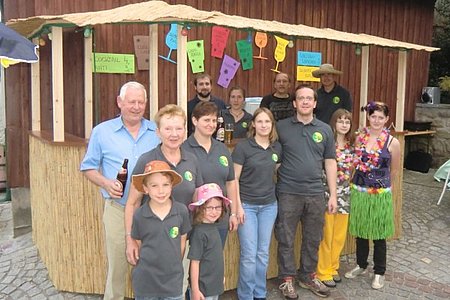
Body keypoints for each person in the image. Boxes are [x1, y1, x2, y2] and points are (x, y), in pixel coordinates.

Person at [80, 81, 159, 300]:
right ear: (119, 102)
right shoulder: (102, 131)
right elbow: (87, 167)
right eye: (131, 102)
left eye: (141, 102)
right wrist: (106, 182)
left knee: (149, 268)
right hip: (117, 209)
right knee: (118, 268)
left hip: (151, 211)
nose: (136, 107)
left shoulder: (156, 131)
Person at [124, 104, 203, 295]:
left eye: (178, 128)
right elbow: (132, 203)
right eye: (168, 129)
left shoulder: (191, 160)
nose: (174, 134)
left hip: (181, 237)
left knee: (177, 287)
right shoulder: (147, 160)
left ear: (185, 130)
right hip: (152, 240)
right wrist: (130, 239)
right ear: (158, 132)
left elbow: (197, 198)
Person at [275, 84, 337, 299]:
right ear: (294, 103)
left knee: (313, 238)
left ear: (315, 103)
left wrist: (333, 194)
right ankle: (287, 279)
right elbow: (272, 156)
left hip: (315, 193)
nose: (304, 102)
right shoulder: (281, 127)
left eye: (308, 98)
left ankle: (308, 275)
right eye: (300, 98)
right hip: (288, 192)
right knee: (286, 237)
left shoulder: (325, 129)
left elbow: (330, 162)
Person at [344, 101, 400, 290]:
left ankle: (379, 272)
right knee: (360, 230)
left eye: (380, 117)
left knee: (378, 233)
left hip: (379, 193)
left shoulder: (393, 142)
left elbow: (394, 171)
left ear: (387, 120)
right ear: (368, 117)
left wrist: (381, 185)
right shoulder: (359, 138)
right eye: (373, 116)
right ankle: (361, 264)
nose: (376, 120)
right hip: (359, 190)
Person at [232, 107, 282, 300]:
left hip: (269, 205)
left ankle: (259, 293)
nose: (263, 125)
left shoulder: (276, 147)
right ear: (253, 124)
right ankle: (245, 295)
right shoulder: (244, 147)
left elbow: (275, 170)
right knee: (249, 255)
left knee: (262, 254)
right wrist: (237, 207)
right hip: (247, 206)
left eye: (267, 122)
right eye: (259, 121)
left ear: (272, 125)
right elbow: (234, 179)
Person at [130, 160, 191, 300]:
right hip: (146, 283)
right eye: (154, 185)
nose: (161, 191)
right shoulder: (140, 215)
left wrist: (172, 264)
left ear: (172, 186)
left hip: (172, 282)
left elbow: (182, 243)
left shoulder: (181, 211)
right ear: (145, 188)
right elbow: (139, 245)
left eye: (165, 185)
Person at [182, 101, 239, 247]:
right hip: (194, 220)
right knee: (194, 265)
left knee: (214, 262)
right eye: (206, 120)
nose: (211, 124)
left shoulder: (222, 149)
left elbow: (231, 182)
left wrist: (233, 213)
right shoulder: (184, 150)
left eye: (214, 120)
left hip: (219, 218)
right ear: (195, 121)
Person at [316, 109, 355, 288]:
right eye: (340, 121)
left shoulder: (352, 144)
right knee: (327, 234)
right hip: (328, 193)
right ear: (334, 123)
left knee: (339, 235)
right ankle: (322, 270)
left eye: (347, 122)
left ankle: (333, 266)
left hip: (346, 194)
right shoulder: (327, 143)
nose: (344, 125)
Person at [188, 183, 232, 300]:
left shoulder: (214, 227)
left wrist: (221, 276)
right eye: (209, 208)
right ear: (200, 208)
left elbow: (218, 255)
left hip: (214, 284)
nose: (214, 211)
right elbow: (194, 262)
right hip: (203, 288)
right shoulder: (199, 232)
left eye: (218, 207)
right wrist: (195, 289)